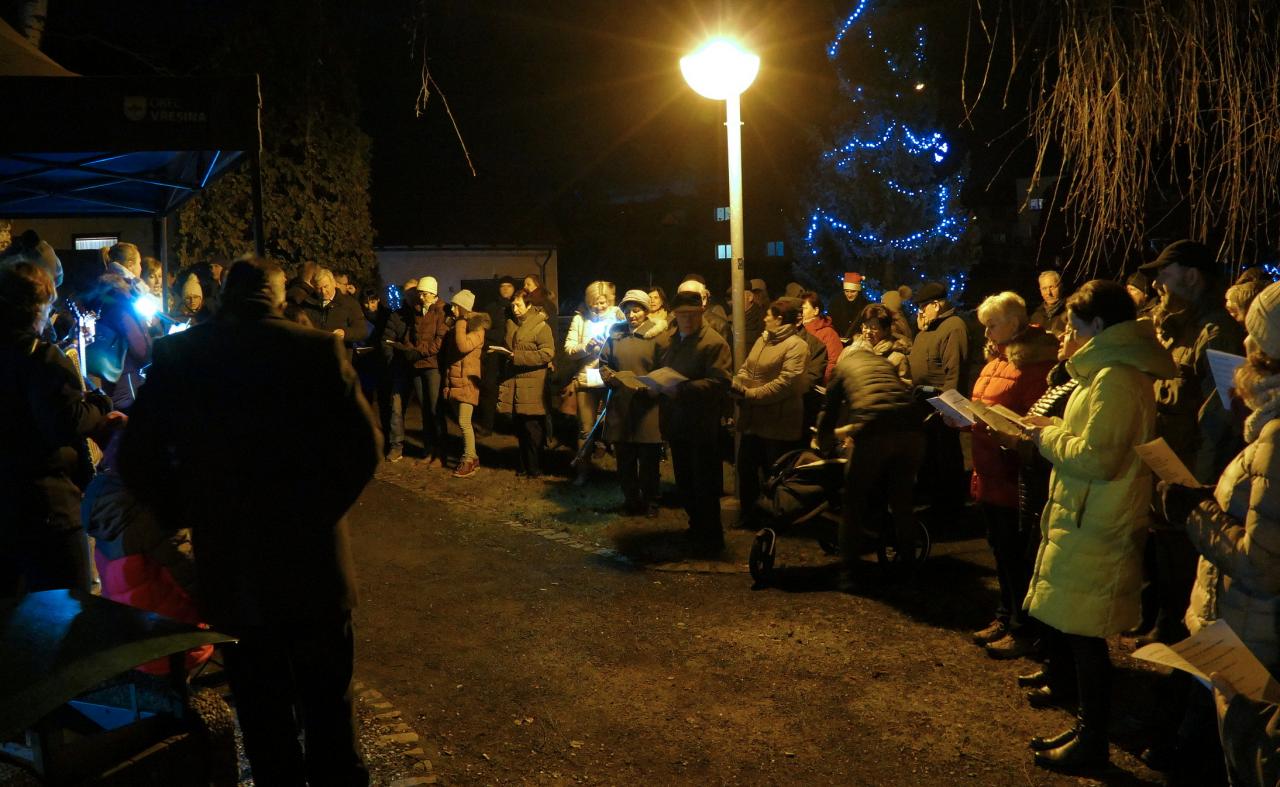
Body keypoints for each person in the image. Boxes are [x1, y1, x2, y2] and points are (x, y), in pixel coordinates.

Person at [119, 256, 379, 786]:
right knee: (328, 702)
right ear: (279, 297)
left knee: (261, 709)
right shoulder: (316, 349)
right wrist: (320, 510)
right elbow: (364, 446)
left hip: (232, 561)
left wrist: (185, 510)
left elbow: (136, 456)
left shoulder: (182, 354)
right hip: (313, 560)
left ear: (224, 296)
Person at [1019, 279, 1176, 773]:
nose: (1066, 333)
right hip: (1087, 514)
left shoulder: (1115, 378)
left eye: (1073, 325)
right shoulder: (1106, 373)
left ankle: (1093, 742)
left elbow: (1098, 457)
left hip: (1098, 519)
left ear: (1099, 325)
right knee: (1079, 632)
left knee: (1087, 639)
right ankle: (1087, 730)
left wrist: (1047, 438)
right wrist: (1057, 431)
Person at [1144, 239, 1246, 645]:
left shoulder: (1217, 332)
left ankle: (1183, 642)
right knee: (1166, 550)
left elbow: (1218, 414)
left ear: (1191, 276)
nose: (1157, 285)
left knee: (1187, 558)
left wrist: (1197, 484)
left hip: (1191, 469)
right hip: (1170, 460)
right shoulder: (1178, 326)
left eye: (1164, 275)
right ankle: (1165, 625)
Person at [0, 262, 121, 596]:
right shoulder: (40, 357)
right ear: (37, 307)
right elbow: (66, 421)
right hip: (46, 506)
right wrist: (99, 405)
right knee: (68, 607)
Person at [959, 292, 1058, 660]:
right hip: (989, 468)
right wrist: (964, 418)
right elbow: (985, 406)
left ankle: (1023, 627)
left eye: (992, 325)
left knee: (1017, 555)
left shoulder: (1034, 364)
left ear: (1014, 323)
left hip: (1014, 473)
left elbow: (1035, 419)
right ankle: (1005, 615)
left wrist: (1009, 434)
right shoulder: (996, 360)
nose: (986, 332)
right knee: (1000, 551)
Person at [816, 342, 923, 580]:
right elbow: (892, 397)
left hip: (875, 430)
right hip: (911, 429)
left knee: (853, 500)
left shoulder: (843, 367)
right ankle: (910, 567)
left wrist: (822, 441)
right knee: (901, 501)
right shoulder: (885, 363)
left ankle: (849, 572)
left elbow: (829, 410)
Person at [659, 290, 733, 549]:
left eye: (692, 314)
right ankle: (696, 527)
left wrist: (681, 389)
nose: (687, 319)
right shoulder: (674, 340)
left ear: (701, 313)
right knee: (685, 481)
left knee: (704, 482)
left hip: (702, 424)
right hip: (677, 422)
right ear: (675, 315)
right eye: (682, 315)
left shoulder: (713, 343)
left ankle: (711, 535)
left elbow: (720, 382)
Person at [730, 297, 808, 529]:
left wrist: (752, 394)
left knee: (773, 473)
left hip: (778, 422)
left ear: (780, 319)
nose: (764, 318)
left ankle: (774, 520)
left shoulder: (796, 346)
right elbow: (747, 367)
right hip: (754, 420)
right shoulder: (763, 340)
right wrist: (738, 383)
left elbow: (786, 383)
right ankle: (749, 516)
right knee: (746, 468)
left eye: (769, 315)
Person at [600, 289, 665, 516]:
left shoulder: (658, 336)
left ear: (646, 311)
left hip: (648, 406)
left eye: (636, 310)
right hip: (622, 404)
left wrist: (653, 385)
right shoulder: (616, 335)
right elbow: (604, 362)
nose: (631, 315)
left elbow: (665, 367)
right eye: (627, 311)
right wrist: (609, 377)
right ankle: (630, 500)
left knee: (648, 460)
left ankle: (651, 501)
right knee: (625, 459)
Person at [908, 281, 970, 512]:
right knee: (929, 457)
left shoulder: (953, 327)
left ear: (936, 305)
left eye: (923, 307)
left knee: (945, 457)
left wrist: (947, 410)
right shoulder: (929, 328)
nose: (920, 312)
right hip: (924, 404)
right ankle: (930, 500)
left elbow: (954, 373)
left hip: (941, 406)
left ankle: (949, 507)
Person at [564, 281, 625, 485]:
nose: (598, 307)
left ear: (610, 300)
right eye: (594, 303)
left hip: (612, 378)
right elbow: (569, 350)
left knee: (617, 427)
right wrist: (587, 347)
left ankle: (623, 474)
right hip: (587, 379)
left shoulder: (619, 317)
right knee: (585, 428)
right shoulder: (580, 319)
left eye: (602, 302)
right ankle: (583, 471)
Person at [497, 289, 554, 478]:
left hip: (533, 385)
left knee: (532, 429)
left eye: (518, 305)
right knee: (520, 427)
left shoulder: (541, 326)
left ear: (529, 305)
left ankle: (535, 467)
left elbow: (547, 353)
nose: (515, 309)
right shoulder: (512, 325)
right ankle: (525, 465)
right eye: (513, 305)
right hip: (516, 382)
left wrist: (518, 357)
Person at [441, 289, 488, 478]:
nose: (452, 309)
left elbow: (463, 346)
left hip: (468, 381)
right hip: (455, 381)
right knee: (462, 422)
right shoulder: (456, 327)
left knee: (464, 421)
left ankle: (468, 459)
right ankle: (473, 457)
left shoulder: (477, 328)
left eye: (455, 306)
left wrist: (460, 322)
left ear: (463, 308)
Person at [409, 276, 450, 465]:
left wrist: (420, 352)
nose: (421, 297)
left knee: (435, 409)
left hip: (433, 366)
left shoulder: (441, 311)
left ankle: (441, 451)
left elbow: (439, 340)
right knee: (425, 410)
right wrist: (409, 348)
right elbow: (411, 334)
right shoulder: (418, 310)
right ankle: (428, 448)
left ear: (433, 294)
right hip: (418, 365)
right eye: (420, 294)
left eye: (424, 294)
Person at [477, 276, 516, 433]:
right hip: (493, 353)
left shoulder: (517, 306)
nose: (505, 289)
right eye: (502, 286)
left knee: (513, 390)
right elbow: (483, 330)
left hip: (514, 353)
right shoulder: (491, 308)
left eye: (509, 286)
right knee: (489, 389)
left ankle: (512, 426)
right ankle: (487, 425)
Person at [305, 267, 369, 358]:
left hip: (340, 358)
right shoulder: (308, 303)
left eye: (326, 286)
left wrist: (345, 333)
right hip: (315, 357)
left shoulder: (350, 304)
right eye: (319, 288)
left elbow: (362, 331)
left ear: (334, 283)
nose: (323, 292)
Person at [842, 304, 910, 383]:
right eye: (865, 327)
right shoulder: (849, 351)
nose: (868, 332)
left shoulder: (896, 358)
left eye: (873, 328)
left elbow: (904, 386)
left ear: (886, 330)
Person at [800, 291, 843, 384]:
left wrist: (824, 383)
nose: (801, 312)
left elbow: (834, 362)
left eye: (804, 308)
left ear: (816, 310)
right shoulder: (797, 329)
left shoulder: (828, 333)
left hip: (817, 384)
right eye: (799, 308)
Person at [828, 272, 869, 338]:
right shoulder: (835, 304)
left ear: (858, 291)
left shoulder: (865, 306)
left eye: (853, 291)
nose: (849, 295)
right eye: (847, 291)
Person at [1029, 270, 1069, 337]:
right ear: (1040, 291)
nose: (1048, 293)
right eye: (1044, 288)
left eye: (1052, 287)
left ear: (1061, 287)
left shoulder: (1071, 312)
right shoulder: (1035, 317)